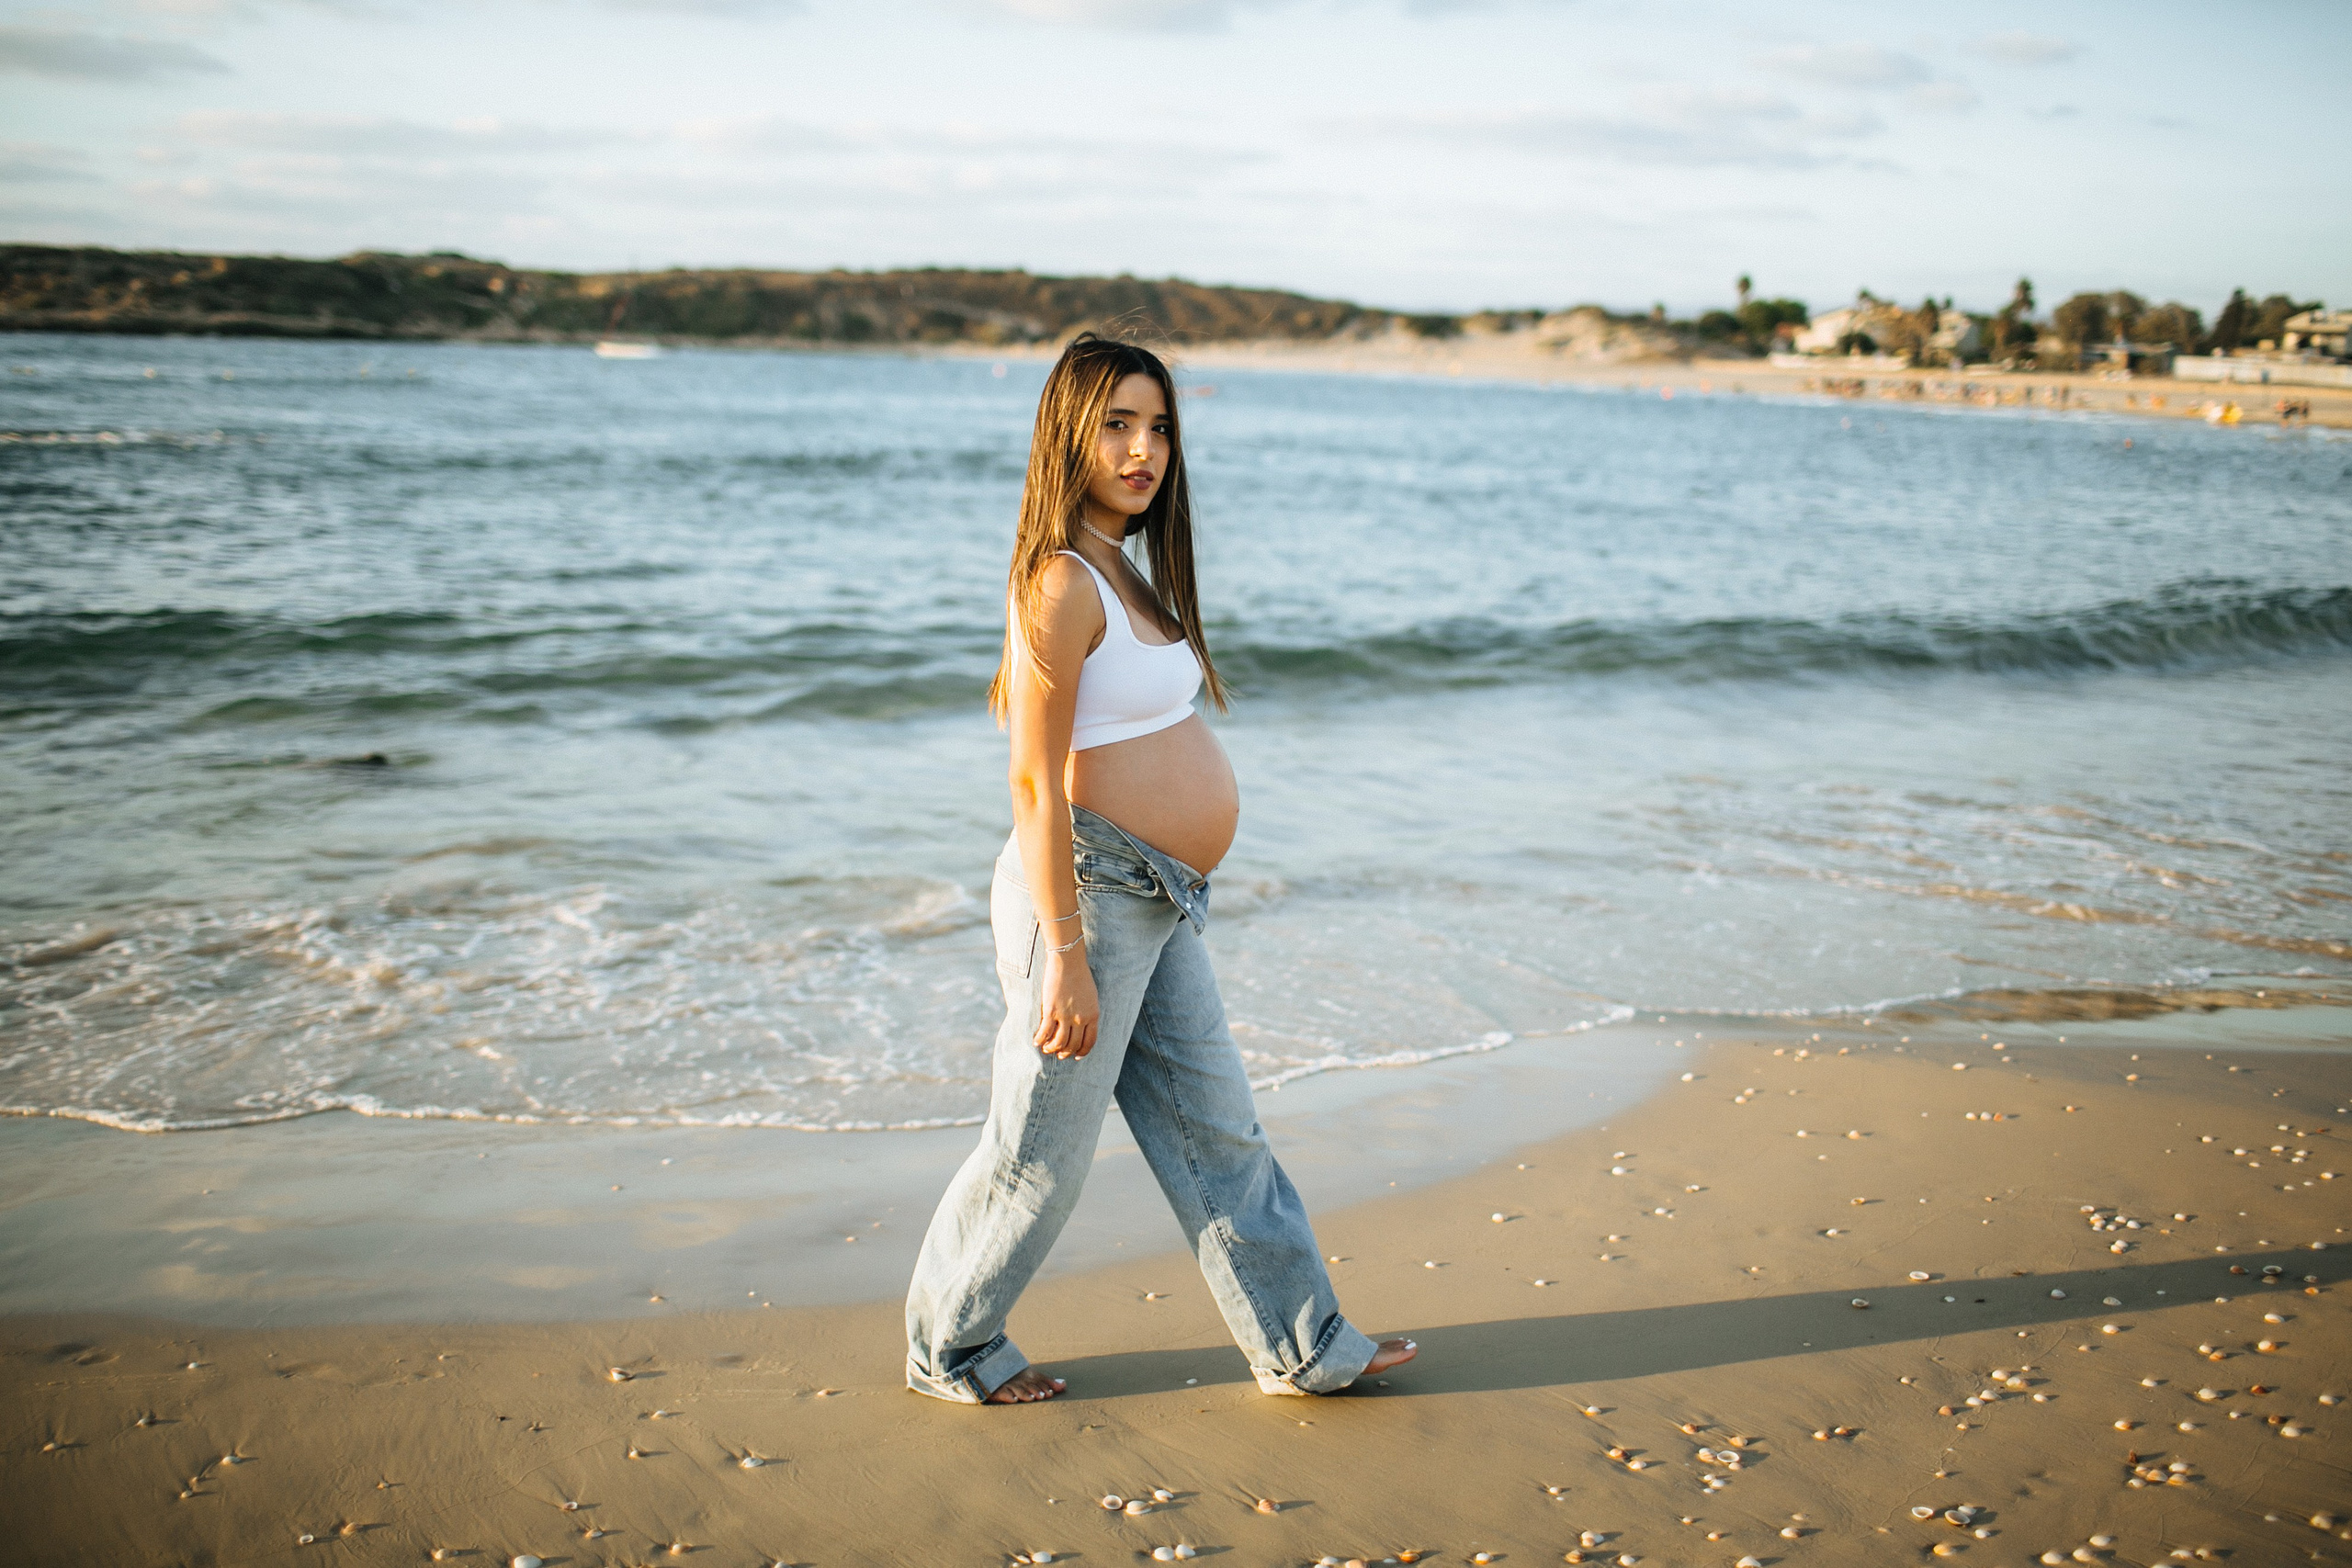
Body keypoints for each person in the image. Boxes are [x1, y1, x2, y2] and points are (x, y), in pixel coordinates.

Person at [902, 333, 1418, 1404]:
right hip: (1086, 898)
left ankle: (1302, 1345)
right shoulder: (1059, 582)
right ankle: (949, 1349)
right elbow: (1035, 787)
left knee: (1217, 1130)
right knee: (1037, 1155)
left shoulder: (1121, 563)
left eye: (1160, 426)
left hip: (1158, 896)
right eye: (1117, 425)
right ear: (1067, 434)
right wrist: (1070, 959)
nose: (1144, 450)